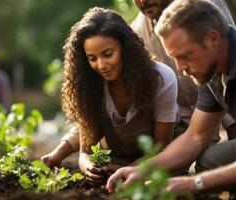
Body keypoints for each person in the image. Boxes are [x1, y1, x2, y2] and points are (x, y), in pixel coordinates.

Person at [41, 0, 236, 168]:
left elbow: (231, 79)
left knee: (209, 168)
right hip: (166, 138)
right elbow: (90, 121)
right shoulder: (138, 31)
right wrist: (66, 152)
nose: (142, 1)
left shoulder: (204, 9)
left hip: (194, 129)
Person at [107, 0, 236, 193]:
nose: (180, 69)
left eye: (185, 56)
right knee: (212, 160)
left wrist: (194, 183)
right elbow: (195, 137)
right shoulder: (212, 70)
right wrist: (140, 170)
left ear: (212, 38)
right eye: (174, 58)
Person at [60, 7, 178, 184]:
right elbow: (85, 151)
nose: (101, 65)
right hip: (114, 165)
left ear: (125, 48)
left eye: (108, 54)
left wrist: (131, 170)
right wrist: (88, 168)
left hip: (155, 163)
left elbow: (161, 148)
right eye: (92, 58)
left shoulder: (161, 78)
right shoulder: (89, 85)